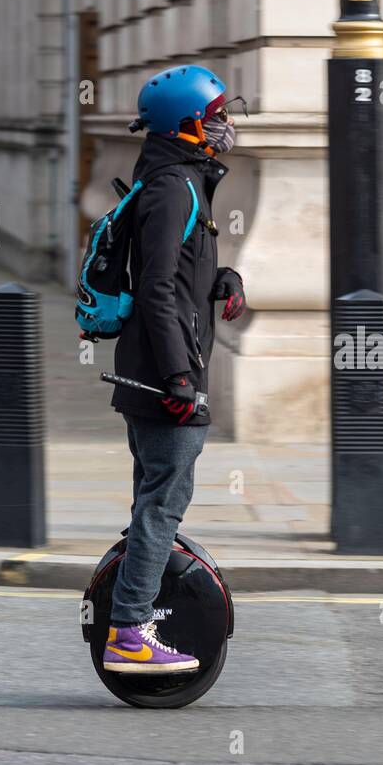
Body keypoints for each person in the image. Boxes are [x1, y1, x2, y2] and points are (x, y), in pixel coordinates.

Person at [102, 65, 247, 674]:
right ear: (188, 125)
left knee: (154, 501)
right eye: (215, 116)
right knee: (162, 505)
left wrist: (222, 280)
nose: (226, 125)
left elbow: (180, 276)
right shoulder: (172, 187)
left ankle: (142, 612)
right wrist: (180, 379)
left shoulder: (181, 179)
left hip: (160, 370)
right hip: (164, 379)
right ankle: (130, 632)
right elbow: (157, 288)